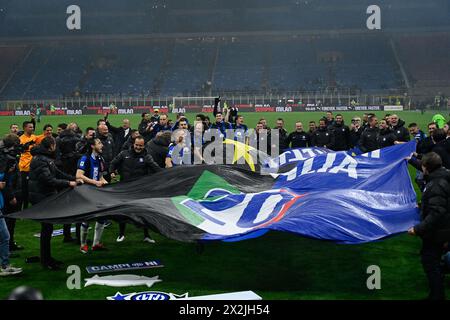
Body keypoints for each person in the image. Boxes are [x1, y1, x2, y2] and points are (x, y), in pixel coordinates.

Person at [29, 136, 79, 270]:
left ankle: (47, 258)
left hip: (45, 196)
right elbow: (49, 180)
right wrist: (69, 183)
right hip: (42, 197)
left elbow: (58, 173)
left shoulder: (45, 158)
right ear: (51, 146)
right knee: (46, 229)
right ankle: (46, 261)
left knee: (48, 228)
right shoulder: (40, 160)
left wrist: (75, 178)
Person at [408, 152, 450, 300]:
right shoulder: (442, 175)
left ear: (427, 168)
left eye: (423, 166)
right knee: (434, 260)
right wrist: (421, 205)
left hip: (437, 232)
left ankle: (437, 296)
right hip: (443, 229)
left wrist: (418, 229)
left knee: (430, 262)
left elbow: (436, 213)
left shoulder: (436, 184)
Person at [110, 136, 162, 243]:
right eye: (136, 145)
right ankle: (121, 234)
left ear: (144, 145)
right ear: (133, 144)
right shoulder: (124, 154)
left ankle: (146, 235)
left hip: (140, 189)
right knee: (123, 211)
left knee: (143, 212)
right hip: (125, 187)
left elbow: (156, 169)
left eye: (140, 146)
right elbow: (113, 163)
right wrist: (111, 171)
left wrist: (168, 173)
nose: (138, 147)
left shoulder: (147, 157)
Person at [76, 138, 109, 254]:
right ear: (92, 146)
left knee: (102, 217)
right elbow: (79, 175)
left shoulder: (100, 159)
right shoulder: (85, 158)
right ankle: (83, 245)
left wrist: (104, 182)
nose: (102, 145)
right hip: (86, 193)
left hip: (97, 193)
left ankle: (96, 244)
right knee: (87, 219)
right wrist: (95, 183)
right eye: (99, 143)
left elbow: (100, 176)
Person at [56, 123, 83, 243]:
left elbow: (56, 158)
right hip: (75, 174)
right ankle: (78, 236)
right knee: (78, 206)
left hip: (63, 175)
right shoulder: (77, 140)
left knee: (66, 206)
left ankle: (67, 235)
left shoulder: (58, 139)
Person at [18, 121, 37, 210]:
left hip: (34, 166)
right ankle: (24, 207)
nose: (32, 129)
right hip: (25, 167)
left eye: (32, 127)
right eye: (30, 127)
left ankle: (34, 206)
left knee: (33, 188)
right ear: (25, 128)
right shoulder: (21, 139)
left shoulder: (34, 137)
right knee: (25, 189)